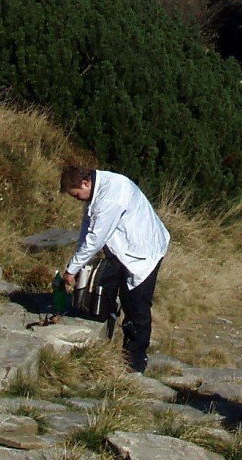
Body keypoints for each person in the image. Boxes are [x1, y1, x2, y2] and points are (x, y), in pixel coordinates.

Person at [59, 160, 171, 374]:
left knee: (137, 307)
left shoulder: (111, 196)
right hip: (126, 250)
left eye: (76, 195)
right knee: (123, 299)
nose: (77, 199)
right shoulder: (97, 190)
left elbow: (96, 238)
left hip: (144, 252)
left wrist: (71, 269)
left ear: (85, 183)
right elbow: (86, 230)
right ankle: (124, 350)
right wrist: (76, 263)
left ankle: (135, 364)